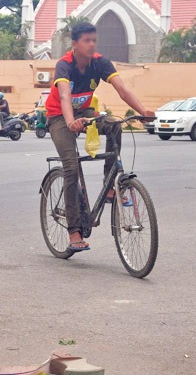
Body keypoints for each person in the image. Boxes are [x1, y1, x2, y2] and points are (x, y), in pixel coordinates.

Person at [45, 22, 154, 253]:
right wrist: (69, 122)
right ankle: (74, 232)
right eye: (86, 40)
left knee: (115, 124)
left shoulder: (100, 63)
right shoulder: (64, 65)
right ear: (75, 44)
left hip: (84, 113)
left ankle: (111, 185)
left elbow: (122, 89)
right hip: (58, 117)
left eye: (94, 40)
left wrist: (143, 111)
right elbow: (64, 96)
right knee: (71, 169)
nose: (92, 44)